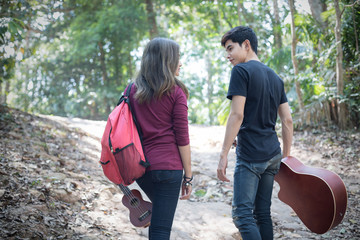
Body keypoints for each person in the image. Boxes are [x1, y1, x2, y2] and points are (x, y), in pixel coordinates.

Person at [217, 26, 293, 240]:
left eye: (231, 48)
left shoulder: (241, 71)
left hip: (250, 156)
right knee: (262, 214)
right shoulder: (276, 78)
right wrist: (285, 157)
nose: (228, 55)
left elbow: (236, 115)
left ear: (247, 45)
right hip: (272, 155)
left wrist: (223, 155)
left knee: (242, 215)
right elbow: (287, 120)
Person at [128, 37, 192, 240]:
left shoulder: (131, 90)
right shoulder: (176, 92)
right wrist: (188, 176)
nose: (180, 63)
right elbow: (182, 138)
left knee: (157, 222)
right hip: (169, 169)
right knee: (162, 229)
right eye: (177, 58)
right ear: (166, 61)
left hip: (141, 168)